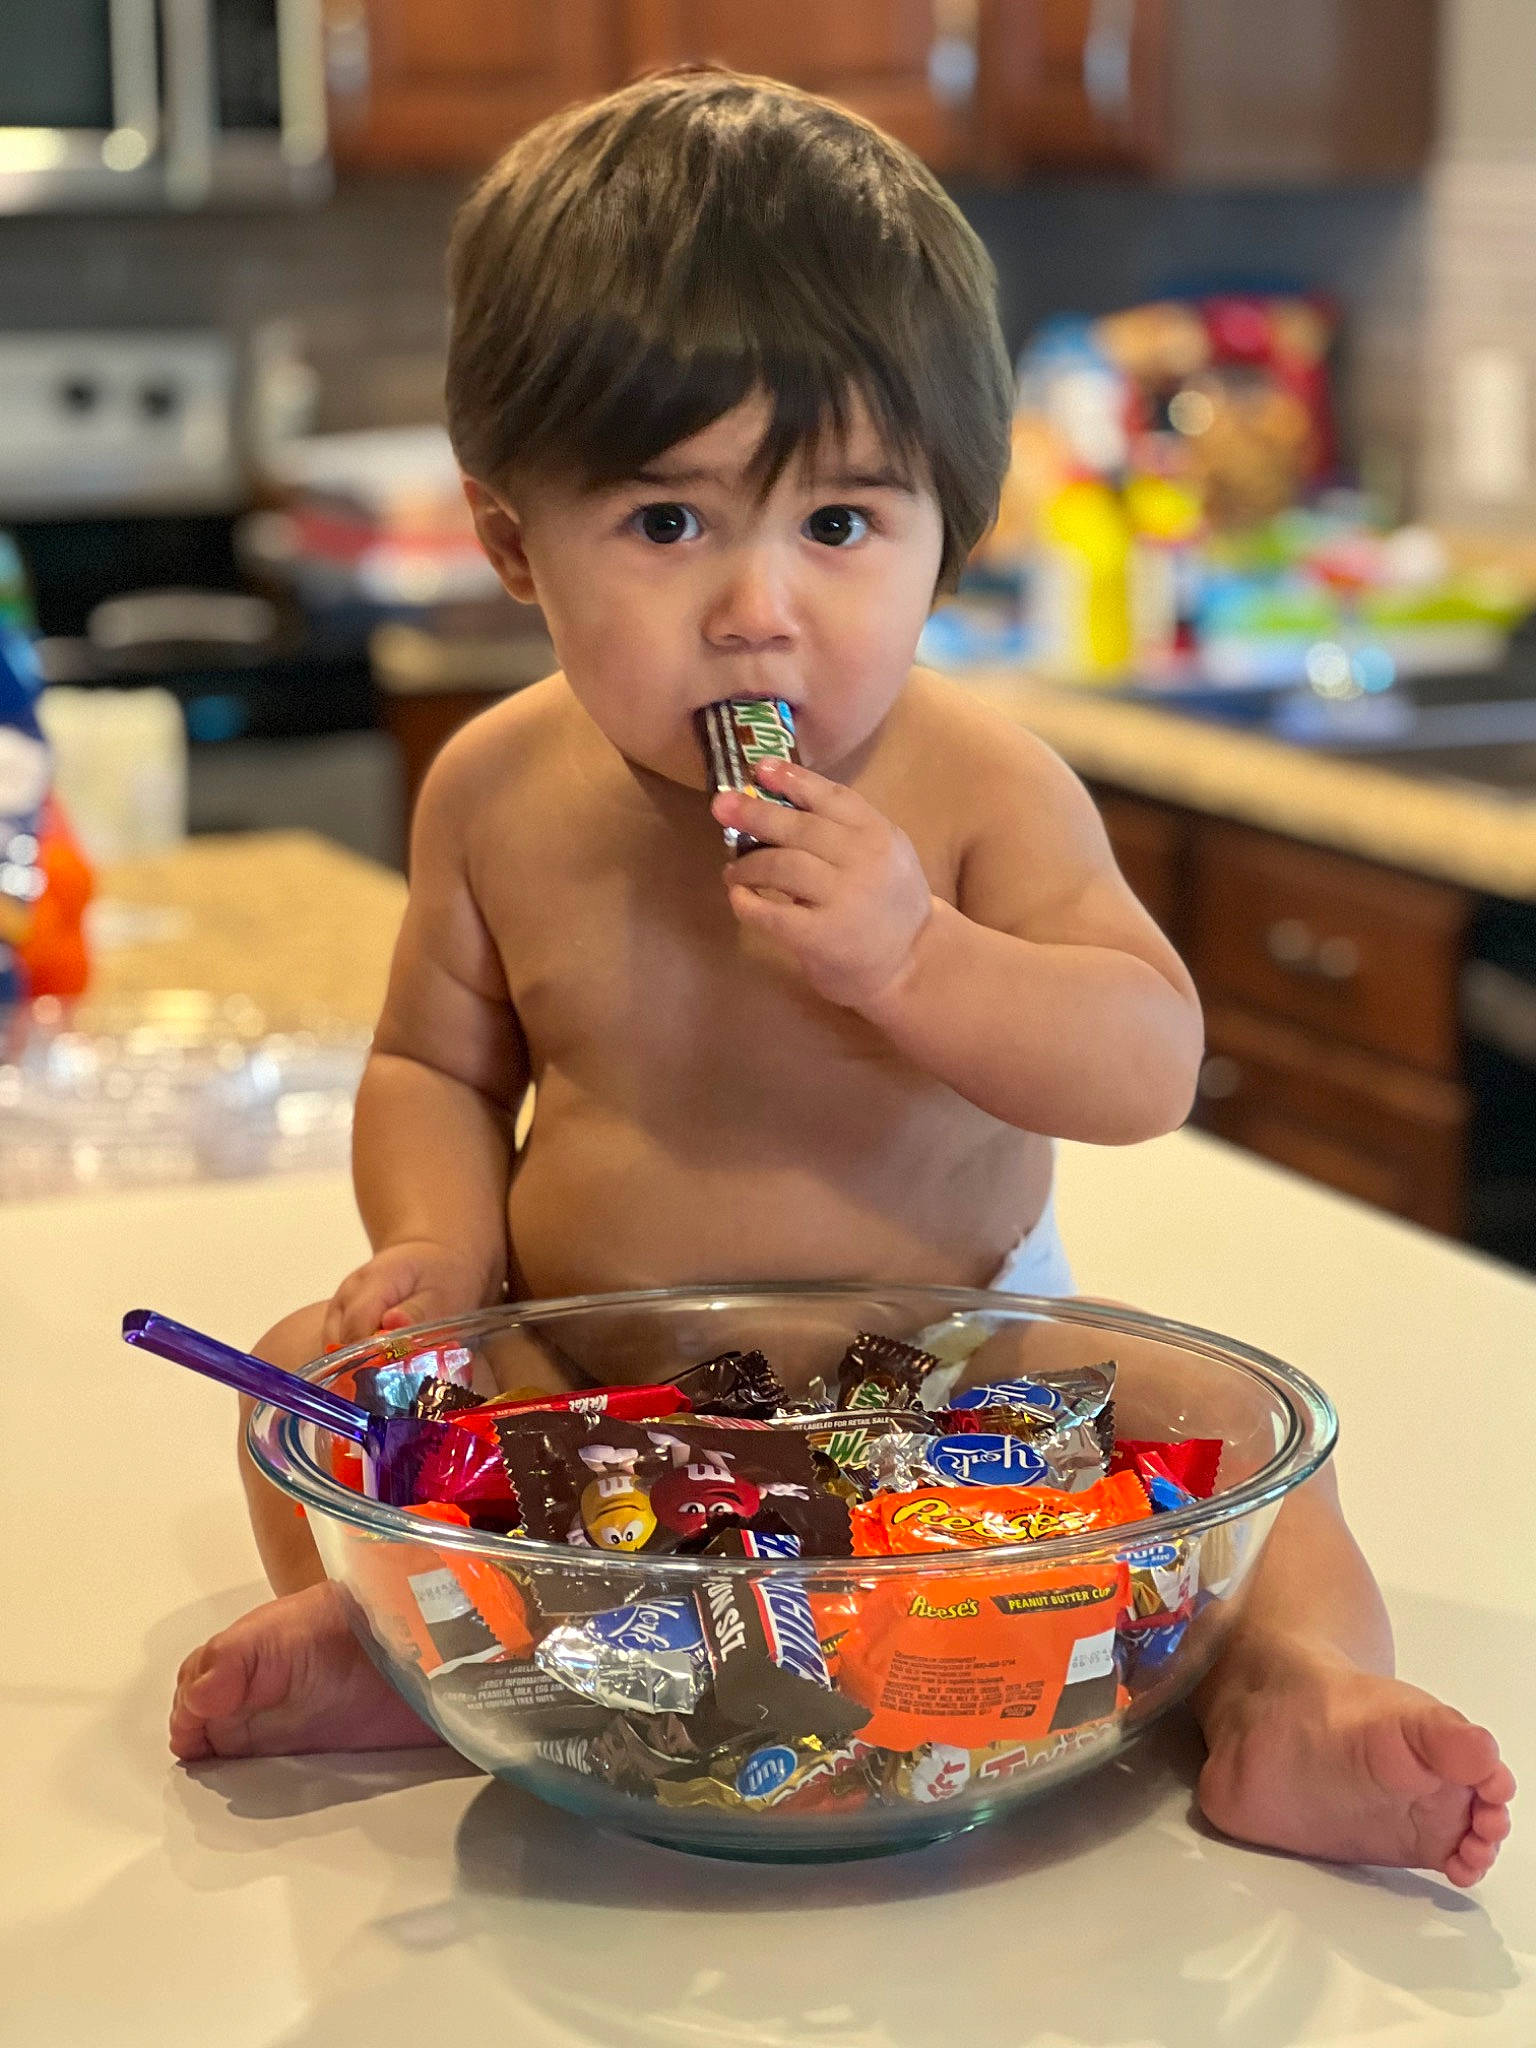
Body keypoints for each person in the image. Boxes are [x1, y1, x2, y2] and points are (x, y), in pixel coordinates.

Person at [169, 68, 1512, 1888]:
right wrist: (436, 1259)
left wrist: (921, 957)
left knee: (1247, 1436)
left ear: (949, 528)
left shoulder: (977, 784)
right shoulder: (496, 788)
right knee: (302, 1392)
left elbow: (1148, 1063)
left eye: (840, 526)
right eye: (666, 527)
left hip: (959, 1378)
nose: (757, 609)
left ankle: (1291, 1691)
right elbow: (435, 1067)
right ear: (511, 544)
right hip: (596, 1389)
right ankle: (423, 1645)